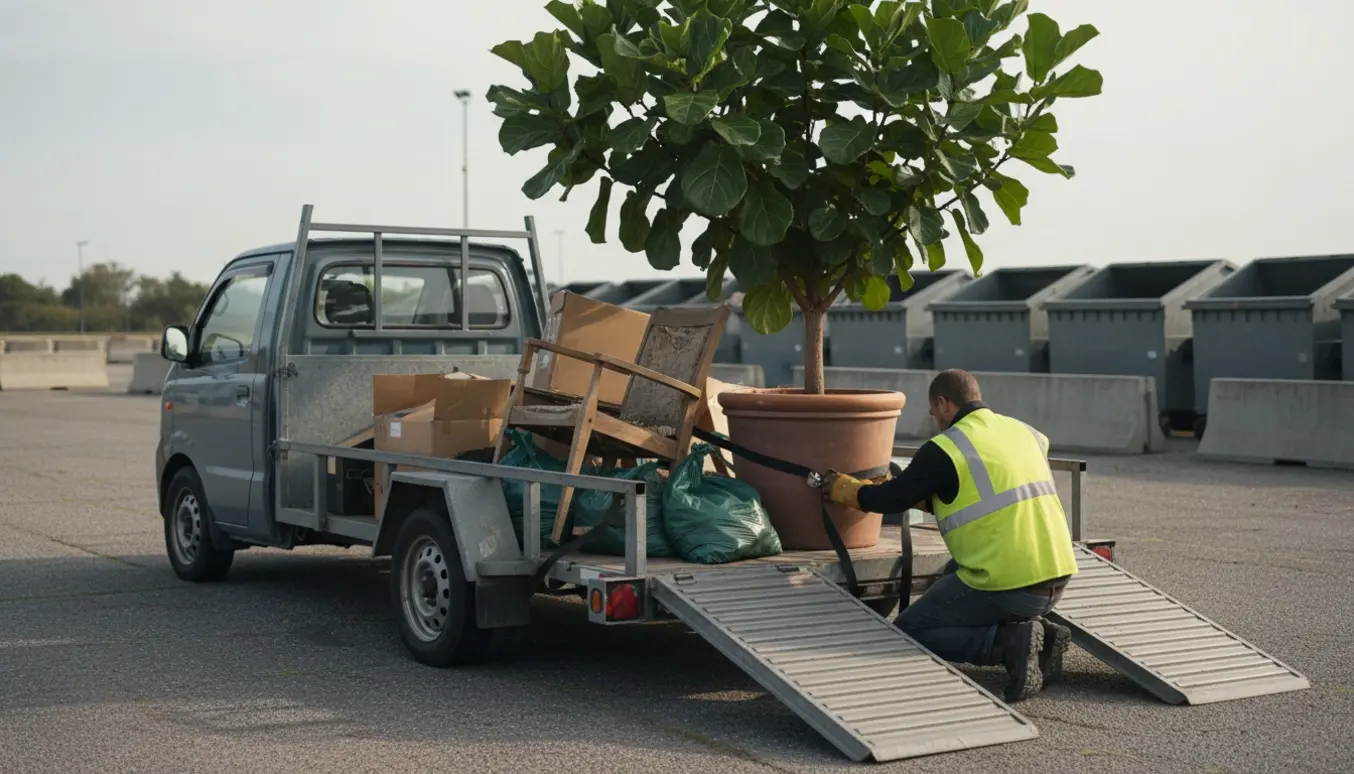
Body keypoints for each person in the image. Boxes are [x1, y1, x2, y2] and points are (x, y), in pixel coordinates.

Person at [821, 369, 1078, 703]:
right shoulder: (1024, 432)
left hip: (1010, 586)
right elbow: (989, 488)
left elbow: (889, 500)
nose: (934, 419)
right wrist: (928, 493)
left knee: (911, 631)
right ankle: (1043, 632)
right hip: (1057, 576)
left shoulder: (945, 448)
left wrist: (847, 490)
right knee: (951, 574)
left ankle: (1009, 643)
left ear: (943, 403)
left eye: (932, 411)